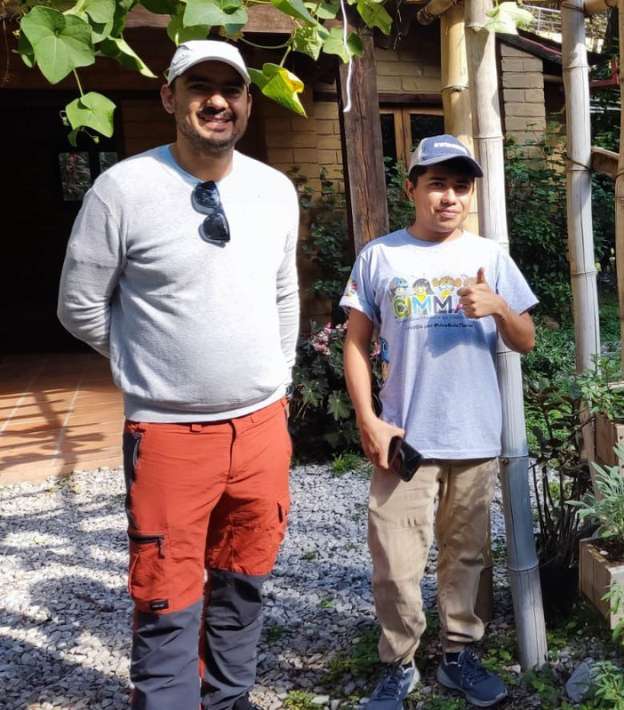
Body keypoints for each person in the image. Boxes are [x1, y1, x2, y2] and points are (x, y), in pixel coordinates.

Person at [56, 40, 298, 709]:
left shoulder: (273, 191)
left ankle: (229, 696)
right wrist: (147, 360)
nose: (216, 101)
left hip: (260, 429)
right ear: (170, 97)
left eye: (231, 89)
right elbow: (78, 306)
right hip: (168, 434)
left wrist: (276, 374)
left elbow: (284, 294)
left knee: (243, 576)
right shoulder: (124, 189)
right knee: (165, 588)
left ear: (248, 101)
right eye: (199, 87)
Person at [341, 135, 537, 709]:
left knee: (466, 556)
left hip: (474, 433)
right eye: (436, 184)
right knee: (396, 561)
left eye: (460, 186)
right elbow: (355, 344)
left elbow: (524, 339)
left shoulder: (490, 255)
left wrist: (499, 307)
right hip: (404, 436)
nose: (449, 196)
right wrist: (369, 420)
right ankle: (398, 663)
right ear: (412, 190)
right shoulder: (381, 256)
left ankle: (458, 656)